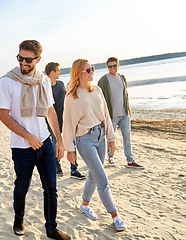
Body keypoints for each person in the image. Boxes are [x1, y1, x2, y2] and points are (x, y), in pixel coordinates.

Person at [0, 40, 71, 240]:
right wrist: (27, 136)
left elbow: (50, 111)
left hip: (45, 144)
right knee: (22, 187)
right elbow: (3, 115)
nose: (23, 62)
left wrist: (59, 140)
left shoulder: (44, 80)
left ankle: (51, 229)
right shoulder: (7, 81)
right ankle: (19, 218)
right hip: (22, 147)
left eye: (28, 59)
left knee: (51, 188)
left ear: (38, 59)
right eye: (20, 58)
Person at [62, 59, 127, 231]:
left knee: (92, 174)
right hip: (85, 140)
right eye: (88, 69)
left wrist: (111, 138)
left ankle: (84, 205)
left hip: (101, 136)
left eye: (92, 68)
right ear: (79, 73)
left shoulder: (96, 89)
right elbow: (67, 124)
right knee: (102, 179)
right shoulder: (71, 97)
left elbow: (106, 114)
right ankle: (115, 216)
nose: (92, 71)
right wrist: (70, 149)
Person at [97, 57, 145, 169]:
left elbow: (125, 94)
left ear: (118, 65)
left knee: (127, 137)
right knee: (110, 138)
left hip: (124, 114)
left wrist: (128, 109)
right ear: (107, 67)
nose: (112, 68)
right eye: (110, 66)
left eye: (114, 65)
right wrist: (102, 115)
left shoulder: (122, 78)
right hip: (111, 116)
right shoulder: (103, 80)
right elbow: (99, 99)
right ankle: (110, 157)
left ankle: (130, 160)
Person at [45, 62, 86, 180]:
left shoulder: (61, 84)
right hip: (52, 122)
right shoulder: (45, 87)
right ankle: (57, 167)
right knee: (55, 145)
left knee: (71, 144)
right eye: (58, 70)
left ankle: (74, 169)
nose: (60, 72)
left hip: (66, 120)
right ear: (52, 72)